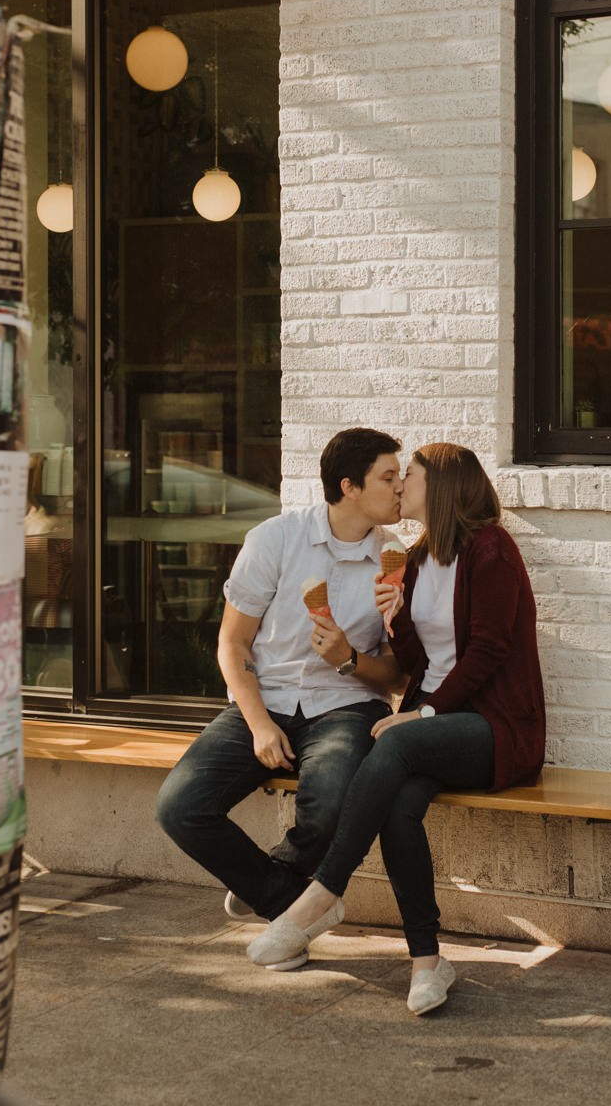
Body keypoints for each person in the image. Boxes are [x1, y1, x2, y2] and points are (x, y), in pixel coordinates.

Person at [247, 443, 546, 1014]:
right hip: (433, 721)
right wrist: (396, 615)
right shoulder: (416, 554)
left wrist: (423, 714)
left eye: (410, 474)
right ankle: (428, 963)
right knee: (398, 805)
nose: (401, 483)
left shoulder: (492, 551)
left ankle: (322, 894)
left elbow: (487, 650)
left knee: (395, 734)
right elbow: (417, 660)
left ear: (444, 486)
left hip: (497, 727)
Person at [156, 427, 405, 969]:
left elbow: (396, 679)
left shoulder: (394, 561)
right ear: (350, 486)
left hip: (345, 702)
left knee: (334, 801)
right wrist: (259, 724)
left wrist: (348, 657)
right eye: (389, 477)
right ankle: (290, 904)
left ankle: (278, 898)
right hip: (263, 699)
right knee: (180, 806)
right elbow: (232, 642)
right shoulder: (275, 539)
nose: (401, 488)